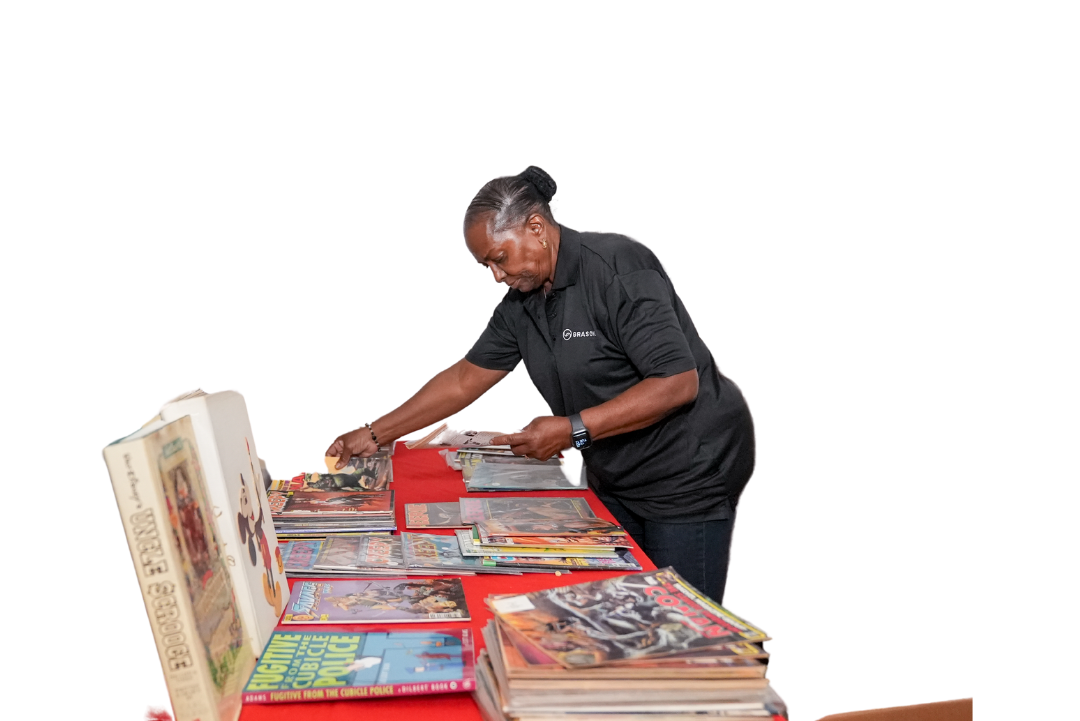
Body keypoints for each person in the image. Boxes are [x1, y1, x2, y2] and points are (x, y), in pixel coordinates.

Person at [325, 165, 755, 604]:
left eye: (500, 257)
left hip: (688, 471)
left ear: (536, 228)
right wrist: (374, 432)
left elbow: (676, 383)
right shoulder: (522, 303)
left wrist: (572, 429)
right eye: (486, 265)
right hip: (616, 470)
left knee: (682, 622)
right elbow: (464, 379)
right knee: (625, 607)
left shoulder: (617, 266)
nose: (495, 276)